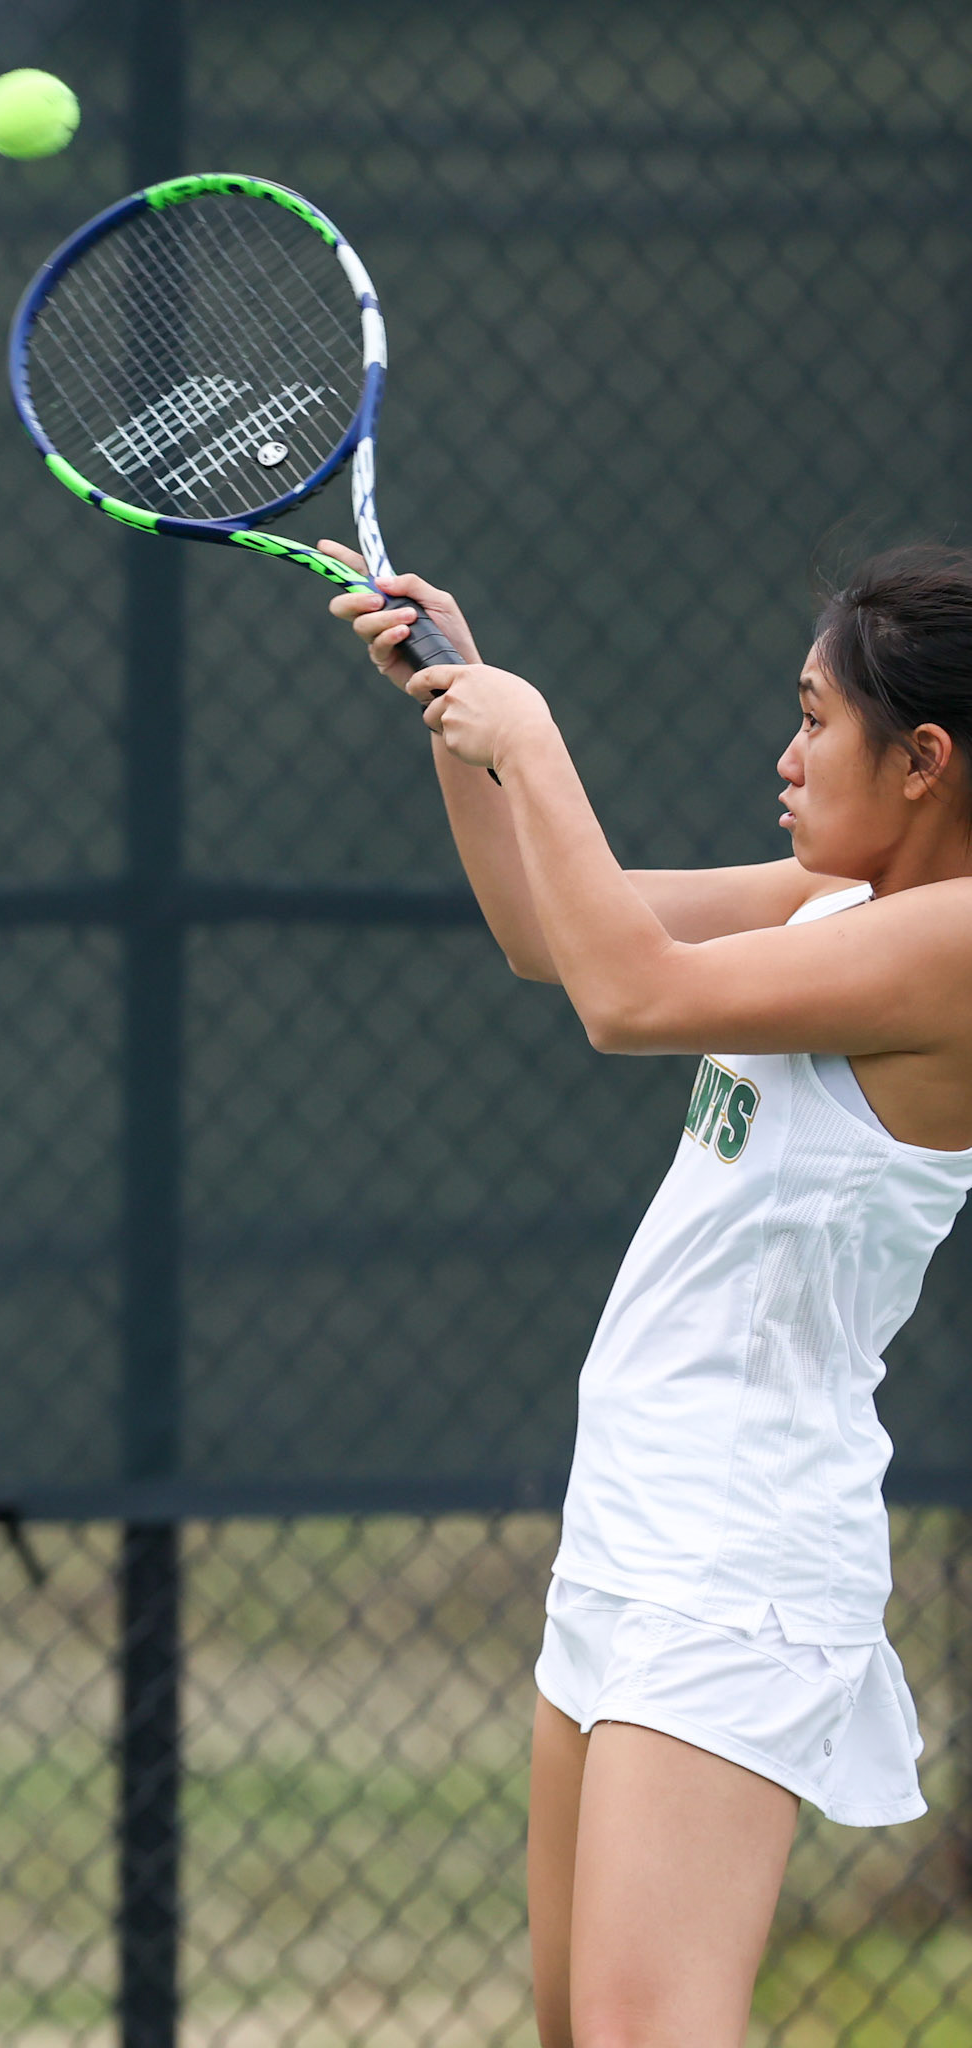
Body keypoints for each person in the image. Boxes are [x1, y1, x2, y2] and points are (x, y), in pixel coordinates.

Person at [323, 538, 972, 2048]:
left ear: (927, 758)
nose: (788, 754)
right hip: (636, 1519)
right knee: (577, 2028)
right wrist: (461, 706)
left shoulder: (954, 942)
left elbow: (636, 1000)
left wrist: (534, 734)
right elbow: (558, 934)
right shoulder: (836, 904)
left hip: (742, 1555)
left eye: (817, 720)